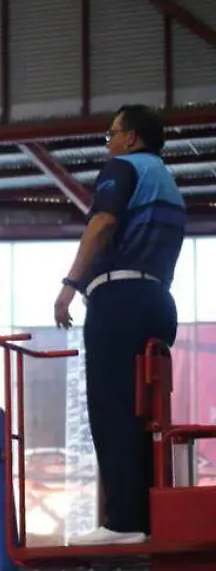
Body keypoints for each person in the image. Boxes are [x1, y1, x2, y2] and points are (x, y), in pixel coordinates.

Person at [53, 105, 186, 547]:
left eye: (111, 133)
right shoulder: (168, 183)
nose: (107, 142)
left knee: (111, 407)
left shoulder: (121, 168)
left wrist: (71, 284)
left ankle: (124, 519)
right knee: (143, 410)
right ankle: (149, 512)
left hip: (119, 299)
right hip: (158, 302)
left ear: (131, 138)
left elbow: (103, 222)